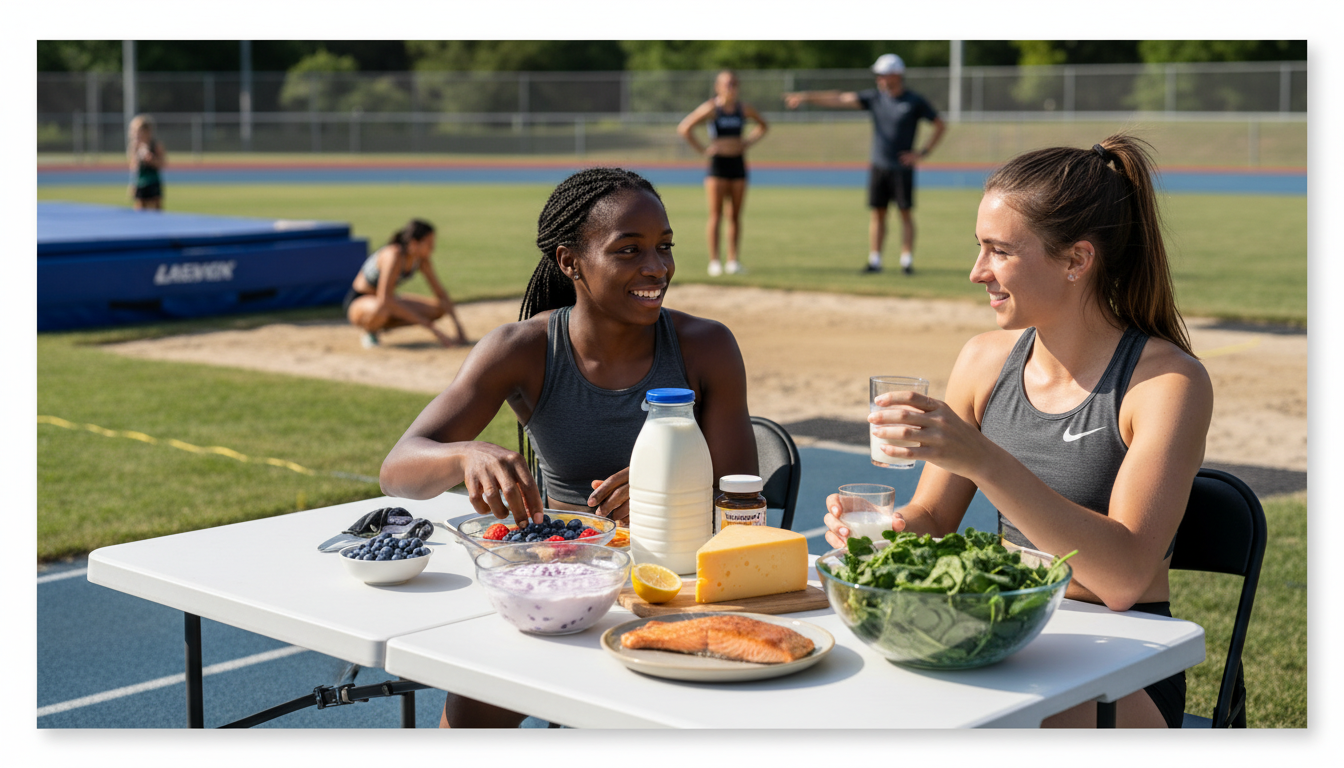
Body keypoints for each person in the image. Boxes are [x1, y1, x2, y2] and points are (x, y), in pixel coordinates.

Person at [823, 135, 1214, 729]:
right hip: (998, 635)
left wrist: (985, 460)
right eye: (980, 248)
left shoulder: (1166, 383)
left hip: (1121, 663)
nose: (977, 271)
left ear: (1076, 260)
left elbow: (1124, 578)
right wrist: (880, 531)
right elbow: (931, 517)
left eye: (999, 250)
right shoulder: (984, 360)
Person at [379, 167, 758, 727]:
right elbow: (398, 468)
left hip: (675, 586)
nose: (656, 267)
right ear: (568, 261)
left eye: (664, 246)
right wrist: (465, 454)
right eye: (628, 250)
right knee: (473, 714)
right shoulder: (523, 349)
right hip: (558, 580)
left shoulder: (707, 347)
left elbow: (743, 500)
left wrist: (672, 494)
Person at [784, 53, 946, 275]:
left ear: (896, 75)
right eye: (878, 75)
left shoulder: (914, 101)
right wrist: (805, 97)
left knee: (905, 214)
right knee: (877, 214)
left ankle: (906, 261)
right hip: (879, 166)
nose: (879, 79)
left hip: (902, 169)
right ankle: (875, 260)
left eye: (883, 74)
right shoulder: (874, 98)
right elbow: (839, 98)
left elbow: (939, 125)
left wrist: (922, 153)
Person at [677, 69, 769, 277]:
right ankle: (715, 261)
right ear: (718, 86)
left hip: (738, 164)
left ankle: (733, 260)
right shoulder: (712, 108)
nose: (731, 87)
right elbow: (685, 128)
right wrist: (703, 150)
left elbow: (763, 125)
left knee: (735, 215)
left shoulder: (743, 109)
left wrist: (747, 142)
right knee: (716, 214)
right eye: (727, 83)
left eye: (734, 83)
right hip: (718, 166)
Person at [344, 219, 468, 349]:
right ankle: (370, 330)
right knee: (382, 308)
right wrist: (432, 329)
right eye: (429, 244)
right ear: (414, 243)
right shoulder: (393, 255)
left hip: (387, 301)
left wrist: (458, 327)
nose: (433, 248)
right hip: (360, 302)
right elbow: (385, 298)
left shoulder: (421, 260)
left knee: (439, 308)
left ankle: (383, 324)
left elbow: (440, 292)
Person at [126, 114, 166, 211]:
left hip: (153, 181)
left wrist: (151, 159)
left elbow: (162, 164)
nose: (135, 135)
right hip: (140, 182)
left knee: (157, 207)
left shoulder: (155, 145)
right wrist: (133, 184)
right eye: (134, 132)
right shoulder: (134, 147)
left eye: (138, 132)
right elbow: (133, 167)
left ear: (147, 132)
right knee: (139, 208)